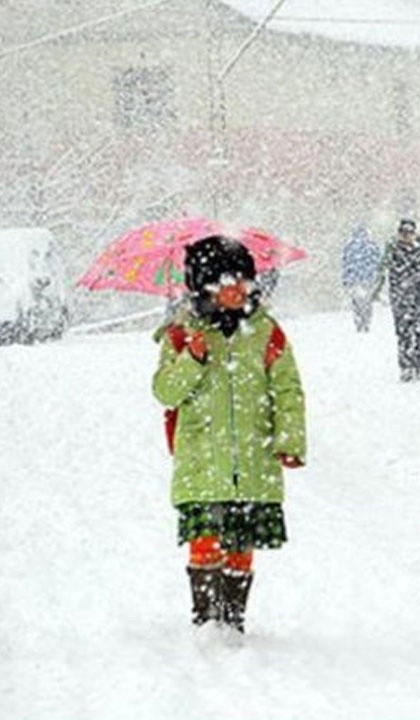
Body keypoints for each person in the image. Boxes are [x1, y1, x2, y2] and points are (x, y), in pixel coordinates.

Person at [152, 235, 306, 634]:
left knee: (240, 542)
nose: (238, 289)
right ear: (204, 287)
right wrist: (193, 358)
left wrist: (289, 440)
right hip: (202, 463)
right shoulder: (181, 335)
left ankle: (233, 618)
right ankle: (206, 618)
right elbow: (165, 391)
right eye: (226, 282)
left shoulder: (265, 332)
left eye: (244, 281)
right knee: (205, 539)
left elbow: (287, 389)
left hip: (253, 459)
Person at [375, 218, 420, 381]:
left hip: (419, 295)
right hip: (399, 295)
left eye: (410, 233)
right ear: (399, 233)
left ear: (415, 233)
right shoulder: (392, 247)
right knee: (403, 331)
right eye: (404, 233)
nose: (407, 237)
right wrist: (377, 289)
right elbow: (382, 268)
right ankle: (406, 366)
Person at [341, 223, 382, 332]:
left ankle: (359, 320)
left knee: (356, 302)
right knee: (367, 301)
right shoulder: (372, 245)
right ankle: (366, 320)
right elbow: (377, 262)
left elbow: (345, 264)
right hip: (368, 279)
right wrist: (377, 277)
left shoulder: (349, 246)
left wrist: (346, 279)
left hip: (354, 279)